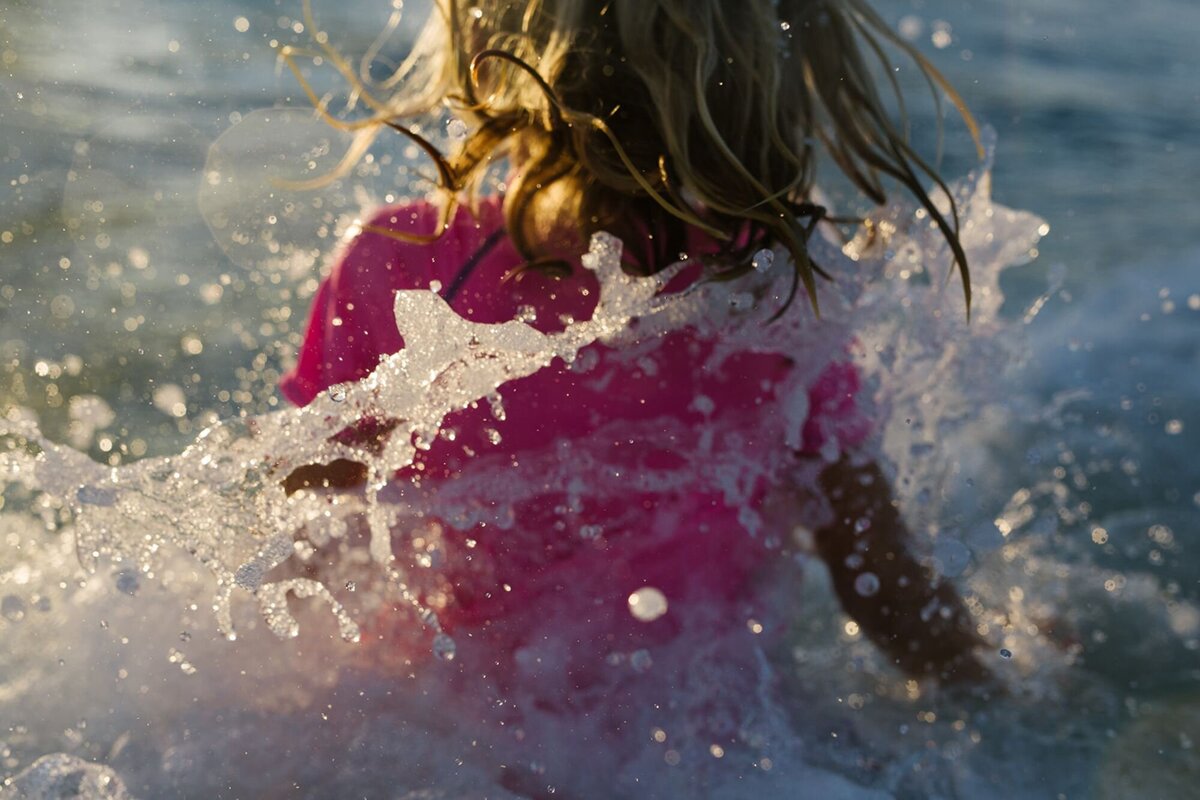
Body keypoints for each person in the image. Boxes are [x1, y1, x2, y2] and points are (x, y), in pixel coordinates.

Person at [279, 0, 985, 700]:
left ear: (489, 40)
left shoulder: (404, 262)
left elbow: (298, 560)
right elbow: (890, 596)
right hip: (703, 745)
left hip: (457, 731)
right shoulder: (771, 296)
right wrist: (1010, 676)